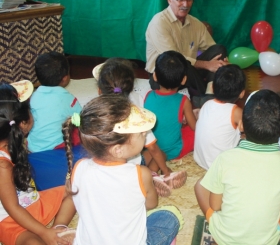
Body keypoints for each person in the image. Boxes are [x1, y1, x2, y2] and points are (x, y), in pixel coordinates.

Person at [53, 94, 183, 244]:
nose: (144, 133)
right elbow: (151, 204)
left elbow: (73, 198)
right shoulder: (141, 174)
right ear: (118, 150)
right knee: (170, 216)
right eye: (141, 133)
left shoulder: (78, 167)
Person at [194, 90, 280, 245]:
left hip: (226, 238)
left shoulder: (224, 159)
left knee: (200, 185)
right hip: (266, 241)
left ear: (241, 126)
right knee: (279, 218)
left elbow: (215, 205)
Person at [94, 57, 187, 197]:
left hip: (104, 168)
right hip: (131, 165)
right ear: (131, 87)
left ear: (100, 91)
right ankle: (152, 174)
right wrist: (166, 170)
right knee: (159, 152)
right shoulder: (136, 111)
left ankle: (149, 174)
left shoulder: (94, 111)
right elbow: (153, 148)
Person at [0, 81, 67, 245]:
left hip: (33, 202)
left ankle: (57, 229)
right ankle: (49, 233)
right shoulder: (2, 166)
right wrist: (43, 232)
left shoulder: (13, 143)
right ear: (22, 123)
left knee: (76, 189)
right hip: (11, 219)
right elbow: (13, 208)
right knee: (33, 243)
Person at [145, 0, 228, 98]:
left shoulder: (195, 23)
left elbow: (211, 49)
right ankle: (205, 97)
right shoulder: (159, 22)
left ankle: (209, 91)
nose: (185, 4)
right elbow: (173, 58)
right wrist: (207, 65)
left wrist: (221, 63)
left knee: (219, 50)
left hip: (191, 70)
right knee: (181, 63)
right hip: (164, 76)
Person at [144, 51, 197, 161]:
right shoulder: (184, 100)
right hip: (172, 151)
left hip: (150, 148)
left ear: (155, 76)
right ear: (183, 79)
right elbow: (194, 127)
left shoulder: (148, 95)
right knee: (194, 132)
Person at [194, 64, 245, 170]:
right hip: (221, 167)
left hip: (200, 160)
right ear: (242, 93)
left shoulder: (206, 104)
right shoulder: (236, 112)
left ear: (212, 88)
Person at [28, 51, 82, 152]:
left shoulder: (33, 97)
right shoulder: (69, 99)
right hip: (57, 148)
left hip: (33, 146)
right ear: (65, 78)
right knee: (78, 129)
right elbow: (81, 120)